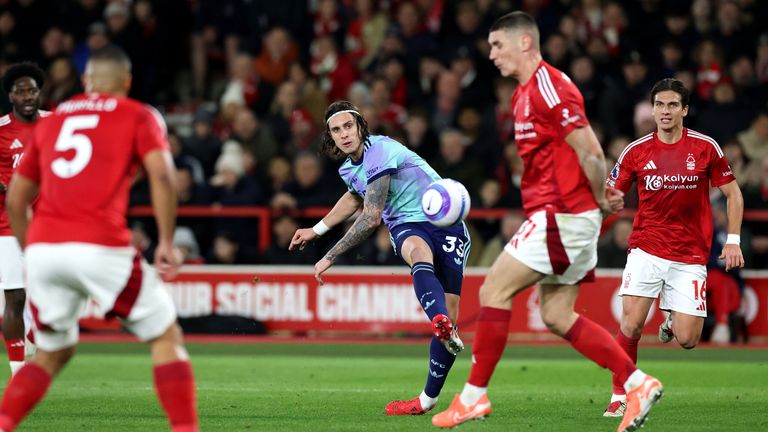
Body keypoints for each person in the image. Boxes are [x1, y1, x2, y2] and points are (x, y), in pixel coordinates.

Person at [431, 12, 663, 432]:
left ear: (524, 43)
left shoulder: (549, 87)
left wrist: (599, 197)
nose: (491, 54)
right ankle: (637, 383)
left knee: (493, 289)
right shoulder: (521, 94)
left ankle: (472, 397)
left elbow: (591, 151)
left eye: (497, 45)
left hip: (561, 214)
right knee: (557, 315)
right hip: (568, 216)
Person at [0, 45, 198, 432]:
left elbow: (17, 197)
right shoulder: (138, 114)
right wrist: (165, 241)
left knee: (53, 353)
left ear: (87, 81)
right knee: (165, 337)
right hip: (99, 242)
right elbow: (162, 176)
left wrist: (32, 251)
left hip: (44, 248)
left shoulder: (52, 122)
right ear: (126, 82)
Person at [289, 100, 471, 416]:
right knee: (417, 252)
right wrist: (317, 230)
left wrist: (330, 255)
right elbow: (354, 196)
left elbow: (371, 216)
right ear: (331, 138)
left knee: (451, 312)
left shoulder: (380, 150)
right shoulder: (349, 168)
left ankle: (427, 398)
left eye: (348, 126)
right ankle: (439, 322)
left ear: (361, 127)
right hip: (407, 223)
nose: (343, 134)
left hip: (446, 221)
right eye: (336, 130)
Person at [602, 78, 744, 416]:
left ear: (684, 110)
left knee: (688, 339)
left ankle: (670, 320)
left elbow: (733, 193)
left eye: (672, 105)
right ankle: (620, 393)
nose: (665, 111)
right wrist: (607, 204)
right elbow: (611, 193)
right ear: (652, 110)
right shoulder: (635, 151)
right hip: (646, 247)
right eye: (659, 105)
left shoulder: (705, 147)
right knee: (632, 325)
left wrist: (734, 241)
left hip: (690, 255)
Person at [0, 62, 49, 375]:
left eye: (32, 90)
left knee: (51, 297)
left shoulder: (56, 124)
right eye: (21, 91)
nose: (28, 96)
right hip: (8, 227)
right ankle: (18, 371)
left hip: (49, 225)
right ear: (11, 96)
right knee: (14, 299)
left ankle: (31, 336)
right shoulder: (1, 129)